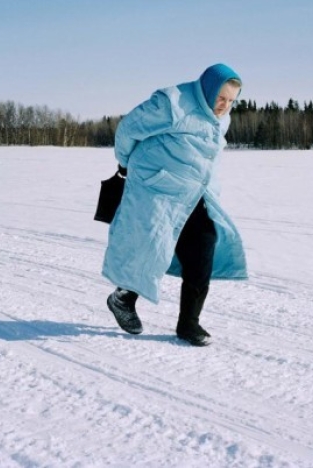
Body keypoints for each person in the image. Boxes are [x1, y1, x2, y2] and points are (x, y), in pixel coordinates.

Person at [102, 63, 248, 346]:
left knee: (204, 245)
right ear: (207, 88)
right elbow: (128, 129)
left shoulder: (222, 118)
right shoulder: (172, 104)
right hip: (156, 188)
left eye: (231, 100)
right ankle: (123, 299)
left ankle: (188, 324)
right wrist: (126, 164)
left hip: (196, 193)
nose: (224, 105)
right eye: (221, 97)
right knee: (152, 245)